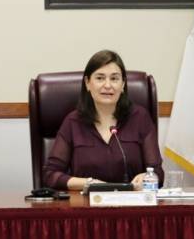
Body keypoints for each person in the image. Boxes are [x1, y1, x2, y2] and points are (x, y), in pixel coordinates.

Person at [43, 49, 164, 190]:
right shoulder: (73, 122)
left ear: (123, 84)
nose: (107, 85)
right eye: (100, 78)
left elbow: (158, 174)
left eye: (114, 78)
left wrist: (147, 177)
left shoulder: (140, 118)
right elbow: (50, 175)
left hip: (131, 205)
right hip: (86, 206)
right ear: (88, 83)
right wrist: (87, 184)